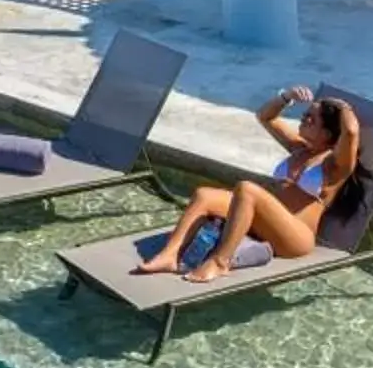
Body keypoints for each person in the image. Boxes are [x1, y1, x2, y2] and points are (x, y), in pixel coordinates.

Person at [133, 86, 361, 283]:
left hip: (295, 238)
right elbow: (265, 116)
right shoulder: (299, 148)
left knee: (247, 190)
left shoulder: (335, 167)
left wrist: (343, 107)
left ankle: (221, 262)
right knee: (205, 195)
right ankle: (170, 255)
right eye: (305, 114)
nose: (303, 119)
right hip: (265, 225)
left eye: (311, 118)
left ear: (328, 134)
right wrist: (286, 96)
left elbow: (350, 131)